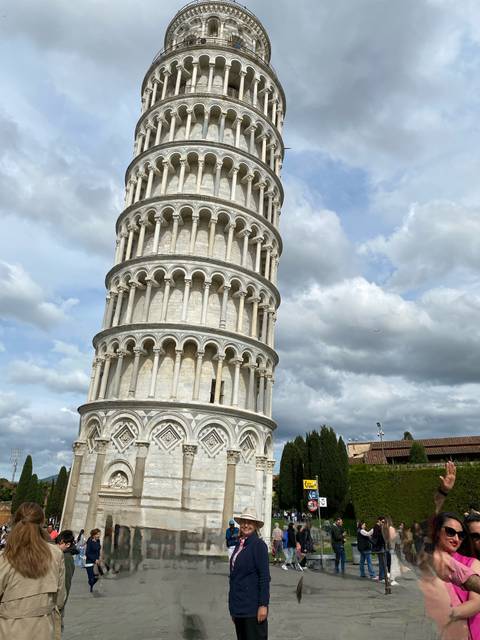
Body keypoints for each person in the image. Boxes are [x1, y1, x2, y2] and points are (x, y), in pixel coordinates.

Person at [0, 502, 65, 640]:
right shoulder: (56, 554)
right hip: (43, 630)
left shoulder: (5, 557)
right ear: (42, 523)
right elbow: (59, 599)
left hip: (8, 631)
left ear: (15, 521)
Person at [421, 512, 480, 639]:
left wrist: (448, 614)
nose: (456, 538)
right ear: (437, 531)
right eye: (450, 532)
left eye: (461, 535)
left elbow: (476, 602)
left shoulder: (472, 563)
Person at [229, 507, 270, 640]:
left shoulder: (258, 545)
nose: (246, 525)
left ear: (256, 526)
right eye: (243, 522)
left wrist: (263, 605)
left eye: (250, 522)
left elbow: (264, 577)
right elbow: (235, 578)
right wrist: (232, 608)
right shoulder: (239, 545)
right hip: (239, 607)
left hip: (252, 608)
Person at [54, 530, 78, 639]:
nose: (57, 546)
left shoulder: (67, 559)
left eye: (60, 543)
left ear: (68, 544)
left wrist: (61, 605)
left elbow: (66, 583)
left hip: (58, 604)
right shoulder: (62, 555)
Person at [85, 528, 102, 592]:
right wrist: (94, 559)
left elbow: (98, 551)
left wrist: (98, 558)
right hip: (89, 562)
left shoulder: (98, 541)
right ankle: (91, 587)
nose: (99, 536)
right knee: (91, 577)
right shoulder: (90, 541)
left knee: (97, 576)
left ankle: (91, 584)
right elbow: (87, 553)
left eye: (99, 534)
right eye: (98, 534)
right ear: (94, 535)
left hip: (96, 562)